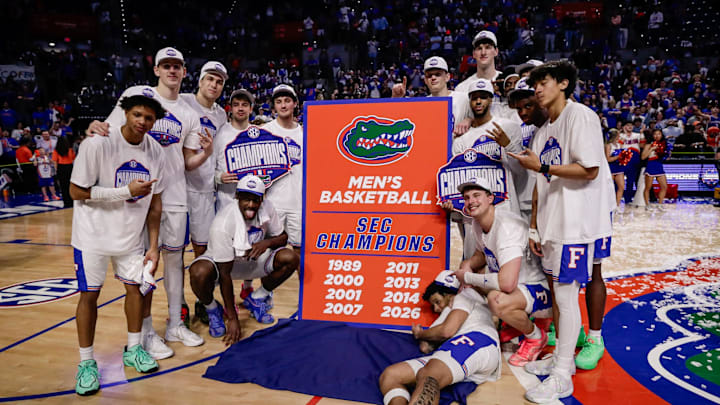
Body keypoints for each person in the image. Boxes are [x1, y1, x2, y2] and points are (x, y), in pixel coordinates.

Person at [85, 47, 212, 360]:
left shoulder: (189, 113)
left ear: (184, 72)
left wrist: (205, 154)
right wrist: (94, 129)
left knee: (173, 262)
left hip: (176, 196)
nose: (172, 71)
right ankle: (144, 332)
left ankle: (174, 324)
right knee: (142, 267)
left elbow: (186, 161)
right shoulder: (136, 96)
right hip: (139, 196)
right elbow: (108, 130)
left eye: (177, 67)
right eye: (166, 66)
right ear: (156, 70)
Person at [509, 60, 614, 401]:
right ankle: (563, 362)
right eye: (534, 84)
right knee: (560, 297)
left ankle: (562, 375)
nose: (537, 89)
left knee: (566, 298)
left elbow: (589, 169)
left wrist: (540, 164)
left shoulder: (580, 116)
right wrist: (536, 228)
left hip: (578, 223)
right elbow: (541, 183)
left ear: (564, 83)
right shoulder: (543, 131)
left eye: (544, 82)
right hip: (556, 224)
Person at [69, 95, 166, 396]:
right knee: (89, 296)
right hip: (92, 236)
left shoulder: (156, 151)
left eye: (149, 118)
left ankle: (133, 348)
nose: (142, 122)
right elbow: (76, 191)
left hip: (130, 237)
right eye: (137, 115)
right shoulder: (96, 144)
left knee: (135, 290)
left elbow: (155, 204)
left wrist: (154, 246)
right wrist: (125, 191)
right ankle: (86, 363)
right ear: (124, 113)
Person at [453, 177, 551, 367]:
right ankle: (517, 324)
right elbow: (482, 253)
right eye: (466, 197)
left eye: (476, 195)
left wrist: (468, 276)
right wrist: (468, 264)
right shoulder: (479, 221)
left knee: (497, 300)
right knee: (482, 281)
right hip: (522, 287)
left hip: (541, 289)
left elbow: (507, 284)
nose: (471, 201)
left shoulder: (505, 227)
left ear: (490, 198)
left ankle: (536, 337)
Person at [189, 174, 299, 337]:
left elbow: (283, 237)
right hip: (224, 265)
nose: (251, 204)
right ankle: (212, 309)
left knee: (290, 258)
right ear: (237, 197)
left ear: (262, 199)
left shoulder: (267, 207)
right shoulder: (224, 222)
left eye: (255, 200)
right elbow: (225, 275)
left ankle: (257, 298)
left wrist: (266, 243)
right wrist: (233, 319)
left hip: (252, 261)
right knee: (198, 272)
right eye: (246, 199)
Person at [378, 270, 501, 405]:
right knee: (391, 375)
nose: (436, 308)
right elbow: (426, 347)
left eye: (437, 301)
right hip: (458, 354)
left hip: (478, 341)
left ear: (449, 294)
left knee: (430, 375)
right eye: (433, 306)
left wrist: (420, 334)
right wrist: (427, 336)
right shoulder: (447, 313)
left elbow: (447, 331)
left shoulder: (464, 295)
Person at [449, 78, 524, 260]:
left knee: (508, 264)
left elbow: (520, 171)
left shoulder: (508, 128)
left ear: (491, 99)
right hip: (474, 213)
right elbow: (458, 180)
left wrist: (508, 146)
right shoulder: (461, 140)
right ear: (470, 101)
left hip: (504, 206)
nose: (479, 101)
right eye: (475, 98)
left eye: (483, 97)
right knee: (474, 265)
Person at [180, 61, 228, 259]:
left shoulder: (221, 114)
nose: (214, 85)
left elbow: (219, 152)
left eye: (219, 82)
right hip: (178, 186)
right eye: (210, 79)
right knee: (173, 250)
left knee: (203, 249)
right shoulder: (182, 101)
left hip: (205, 189)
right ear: (200, 81)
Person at [214, 89, 255, 213]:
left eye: (245, 105)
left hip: (251, 200)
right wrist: (219, 177)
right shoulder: (220, 133)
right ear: (230, 108)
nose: (240, 109)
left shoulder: (258, 134)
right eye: (236, 105)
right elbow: (209, 166)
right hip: (226, 200)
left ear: (251, 109)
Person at [641, 129, 668, 209]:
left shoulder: (663, 144)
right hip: (651, 165)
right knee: (648, 187)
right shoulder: (648, 144)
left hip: (659, 165)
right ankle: (647, 204)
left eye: (659, 134)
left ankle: (660, 204)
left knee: (664, 187)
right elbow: (643, 157)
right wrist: (651, 149)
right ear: (652, 135)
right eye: (655, 134)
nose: (657, 136)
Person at [618, 119, 644, 204]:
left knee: (631, 181)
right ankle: (616, 198)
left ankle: (628, 200)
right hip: (624, 157)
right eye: (627, 125)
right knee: (619, 180)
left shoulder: (637, 135)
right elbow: (619, 146)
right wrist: (624, 134)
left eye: (631, 125)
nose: (630, 126)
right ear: (623, 127)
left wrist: (642, 133)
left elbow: (642, 145)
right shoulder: (620, 135)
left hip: (634, 158)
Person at [52, 135, 76, 208]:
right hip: (69, 167)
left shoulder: (56, 150)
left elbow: (55, 161)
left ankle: (66, 202)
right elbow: (73, 159)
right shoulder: (70, 150)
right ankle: (72, 201)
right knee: (70, 185)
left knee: (63, 186)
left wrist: (56, 170)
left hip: (61, 168)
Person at [605, 129, 625, 209]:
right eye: (618, 135)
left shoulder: (619, 145)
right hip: (611, 168)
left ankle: (617, 206)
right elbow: (607, 159)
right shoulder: (608, 146)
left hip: (619, 167)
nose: (619, 136)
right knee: (609, 188)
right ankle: (607, 205)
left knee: (621, 187)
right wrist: (618, 157)